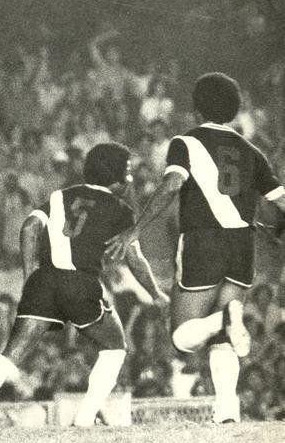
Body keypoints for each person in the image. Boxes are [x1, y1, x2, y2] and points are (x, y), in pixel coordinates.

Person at [0, 142, 169, 429]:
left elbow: (29, 226)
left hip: (45, 280)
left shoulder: (59, 197)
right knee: (115, 346)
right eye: (126, 172)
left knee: (11, 355)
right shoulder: (121, 210)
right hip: (81, 282)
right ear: (114, 174)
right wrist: (156, 294)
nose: (129, 179)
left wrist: (31, 277)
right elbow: (135, 259)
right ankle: (85, 418)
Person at [107, 73, 285, 424]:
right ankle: (227, 412)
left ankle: (225, 317)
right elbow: (280, 203)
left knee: (182, 337)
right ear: (235, 109)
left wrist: (135, 230)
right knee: (223, 339)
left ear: (196, 106)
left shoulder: (185, 143)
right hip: (242, 245)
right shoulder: (252, 152)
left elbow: (173, 184)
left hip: (203, 239)